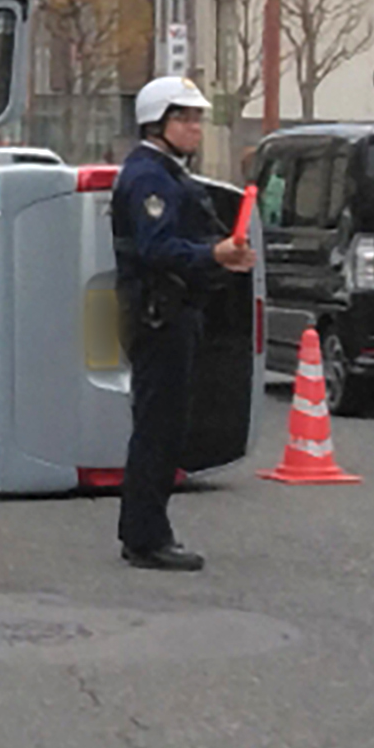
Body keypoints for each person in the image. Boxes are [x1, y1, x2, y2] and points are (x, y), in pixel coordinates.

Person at [111, 76, 256, 572]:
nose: (195, 127)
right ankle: (146, 536)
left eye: (197, 118)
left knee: (165, 423)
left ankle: (144, 530)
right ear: (157, 122)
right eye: (184, 118)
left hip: (171, 311)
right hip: (159, 314)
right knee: (158, 426)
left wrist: (219, 257)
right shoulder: (151, 177)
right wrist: (212, 254)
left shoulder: (167, 173)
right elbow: (156, 249)